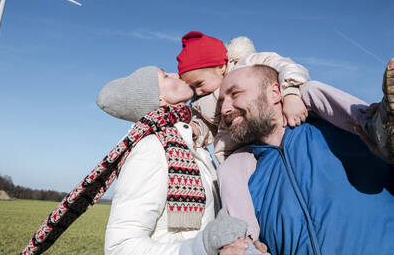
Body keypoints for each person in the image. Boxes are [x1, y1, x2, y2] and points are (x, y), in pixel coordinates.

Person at [176, 31, 393, 240]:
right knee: (229, 171)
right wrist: (192, 132)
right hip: (243, 146)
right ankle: (244, 238)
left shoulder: (251, 64)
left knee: (311, 90)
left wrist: (290, 93)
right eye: (192, 88)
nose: (198, 92)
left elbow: (288, 67)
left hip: (293, 104)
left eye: (199, 84)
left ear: (220, 66)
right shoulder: (201, 104)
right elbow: (203, 126)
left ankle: (372, 124)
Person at [217, 64, 394, 255]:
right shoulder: (243, 173)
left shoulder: (334, 125)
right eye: (221, 103)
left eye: (235, 94)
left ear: (275, 92)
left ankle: (378, 124)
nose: (225, 109)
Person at [96, 66, 269, 255]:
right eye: (164, 76)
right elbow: (120, 247)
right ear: (159, 99)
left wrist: (241, 245)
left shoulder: (192, 144)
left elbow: (209, 225)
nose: (175, 74)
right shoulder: (151, 149)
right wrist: (201, 249)